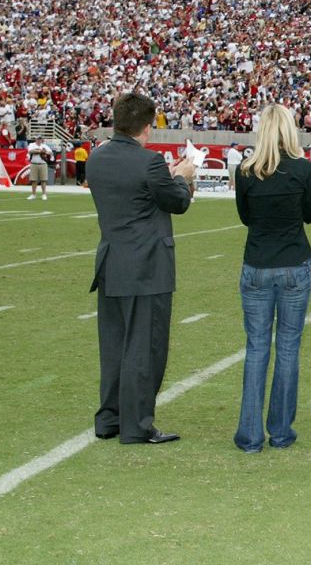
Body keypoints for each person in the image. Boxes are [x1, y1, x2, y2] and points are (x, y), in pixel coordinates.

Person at [87, 93, 196, 444]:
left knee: (114, 347)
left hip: (111, 261)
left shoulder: (97, 158)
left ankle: (110, 418)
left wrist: (167, 175)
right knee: (144, 349)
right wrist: (182, 176)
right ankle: (138, 425)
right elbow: (177, 202)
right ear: (147, 127)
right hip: (147, 266)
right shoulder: (149, 162)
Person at [233, 104, 311, 453]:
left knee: (256, 348)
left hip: (257, 264)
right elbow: (310, 215)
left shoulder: (246, 171)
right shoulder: (301, 169)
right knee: (287, 348)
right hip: (294, 263)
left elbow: (245, 217)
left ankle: (250, 436)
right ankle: (281, 431)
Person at [26, 136, 52, 200]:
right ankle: (33, 194)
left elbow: (50, 152)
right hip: (34, 163)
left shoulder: (44, 145)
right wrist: (41, 151)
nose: (39, 140)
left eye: (40, 139)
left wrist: (43, 152)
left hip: (43, 164)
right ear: (36, 139)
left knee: (43, 180)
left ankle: (44, 194)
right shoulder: (32, 144)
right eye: (38, 139)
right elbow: (30, 151)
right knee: (33, 180)